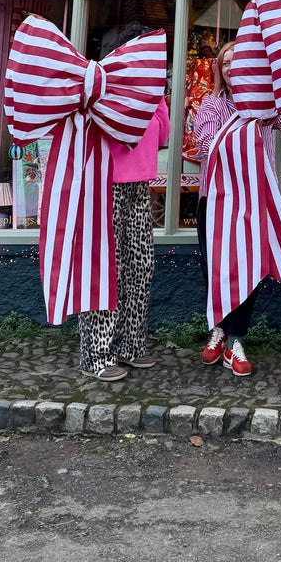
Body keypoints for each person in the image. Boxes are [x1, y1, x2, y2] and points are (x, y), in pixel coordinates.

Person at [192, 35, 281, 374]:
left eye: (237, 62)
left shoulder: (265, 103)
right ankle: (220, 330)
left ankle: (235, 340)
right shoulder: (212, 106)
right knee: (215, 269)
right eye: (225, 63)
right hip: (215, 200)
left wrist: (278, 94)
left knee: (250, 270)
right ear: (220, 71)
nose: (231, 69)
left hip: (255, 200)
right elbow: (208, 145)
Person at [78, 23, 169, 382]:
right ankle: (95, 353)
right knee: (107, 271)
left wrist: (157, 96)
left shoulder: (151, 92)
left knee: (140, 268)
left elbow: (161, 135)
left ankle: (130, 345)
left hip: (139, 186)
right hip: (107, 186)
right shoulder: (105, 85)